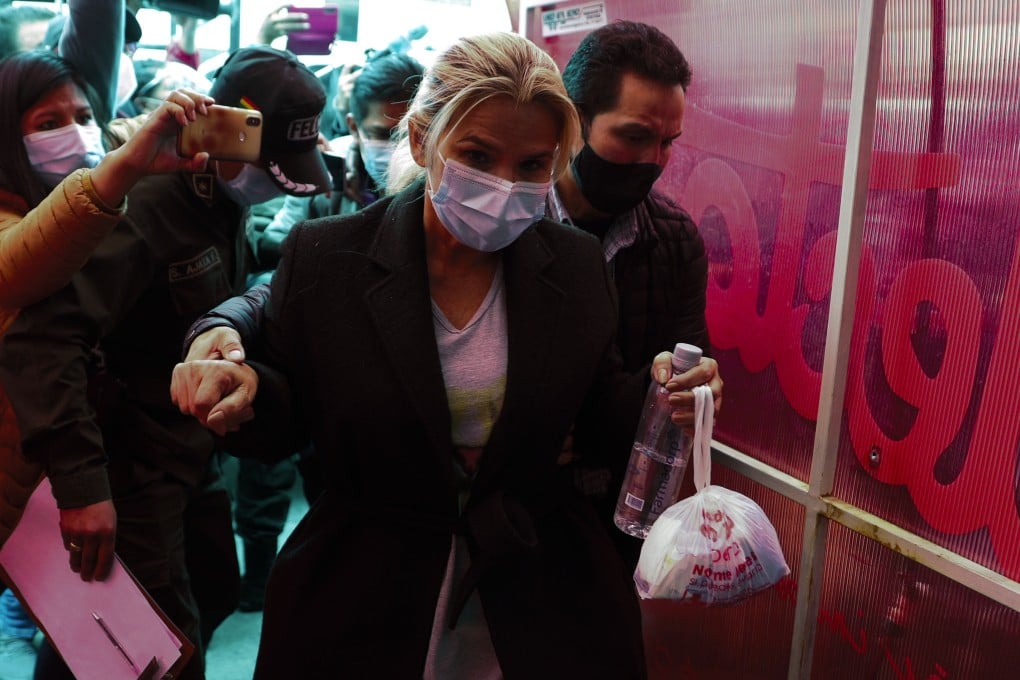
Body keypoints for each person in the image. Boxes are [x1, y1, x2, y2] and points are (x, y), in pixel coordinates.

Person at [170, 31, 714, 679]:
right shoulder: (329, 258)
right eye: (478, 155)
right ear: (425, 138)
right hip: (367, 588)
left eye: (533, 166)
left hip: (532, 589)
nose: (503, 185)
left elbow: (595, 415)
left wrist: (664, 396)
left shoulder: (570, 267)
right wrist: (243, 394)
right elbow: (289, 413)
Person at [0, 45, 330, 680]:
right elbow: (41, 342)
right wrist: (83, 488)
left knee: (208, 594)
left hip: (186, 455)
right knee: (158, 653)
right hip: (126, 466)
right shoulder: (146, 204)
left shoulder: (222, 198)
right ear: (221, 125)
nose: (268, 178)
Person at [552, 20, 721, 569]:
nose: (653, 160)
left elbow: (680, 371)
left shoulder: (673, 239)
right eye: (633, 136)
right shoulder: (507, 225)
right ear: (571, 120)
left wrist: (696, 394)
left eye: (667, 142)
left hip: (607, 526)